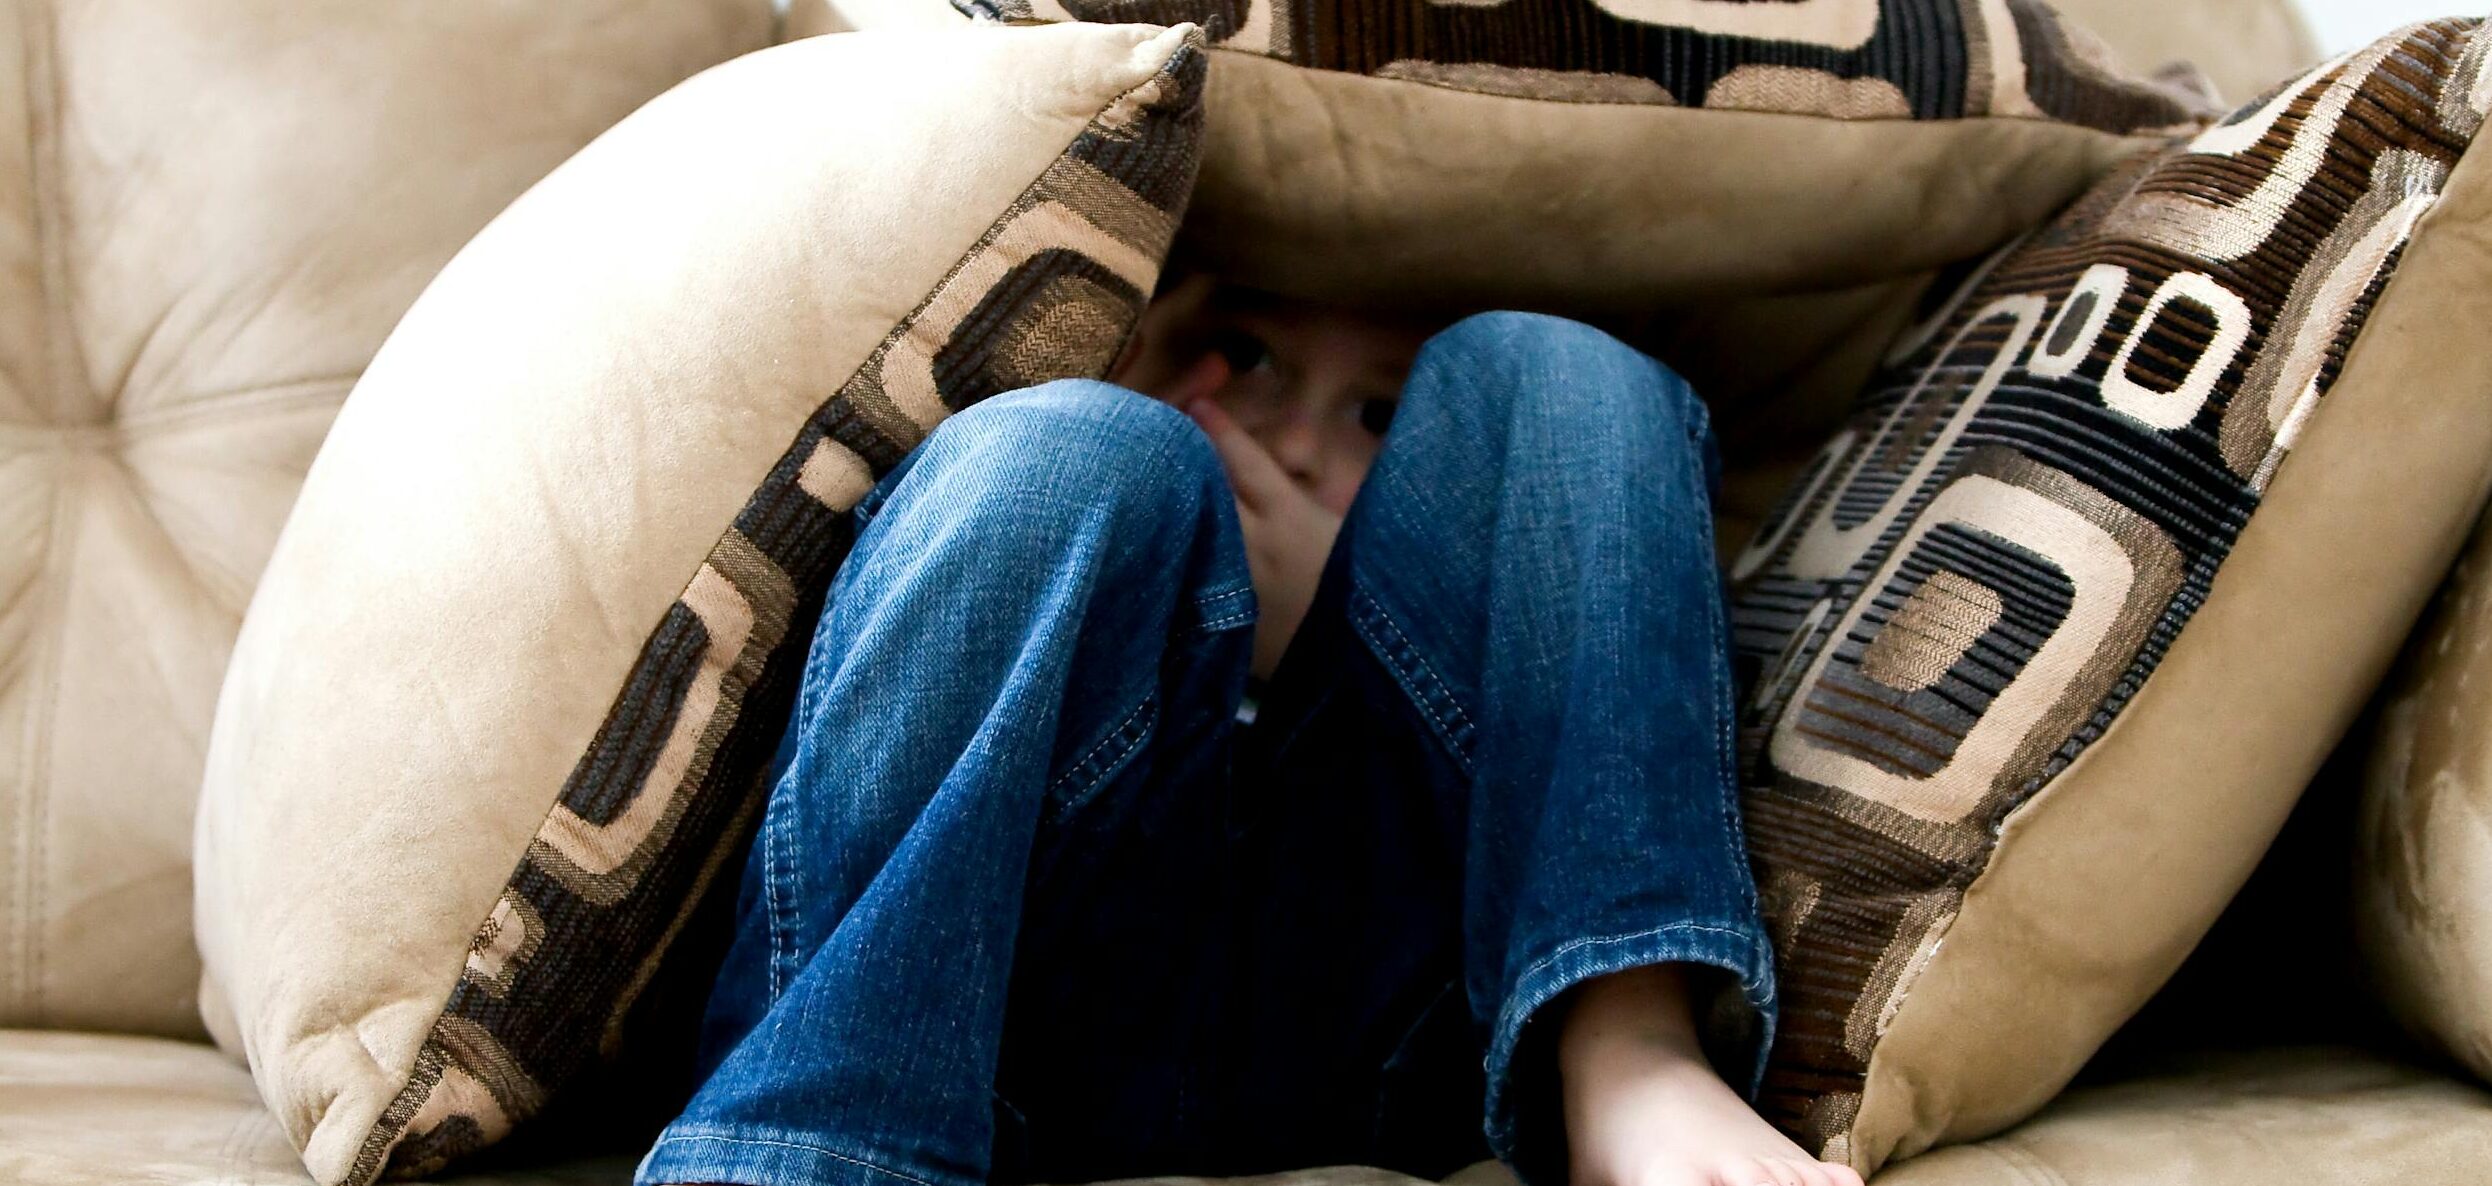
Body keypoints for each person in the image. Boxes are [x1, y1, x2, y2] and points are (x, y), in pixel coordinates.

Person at [637, 273, 1864, 1186]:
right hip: (997, 1007)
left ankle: (1626, 1043)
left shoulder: (1451, 557)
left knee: (1558, 370)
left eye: (1378, 415)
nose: (1289, 438)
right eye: (1245, 358)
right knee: (1065, 450)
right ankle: (811, 1145)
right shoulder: (1122, 481)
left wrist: (1331, 613)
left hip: (1377, 1021)